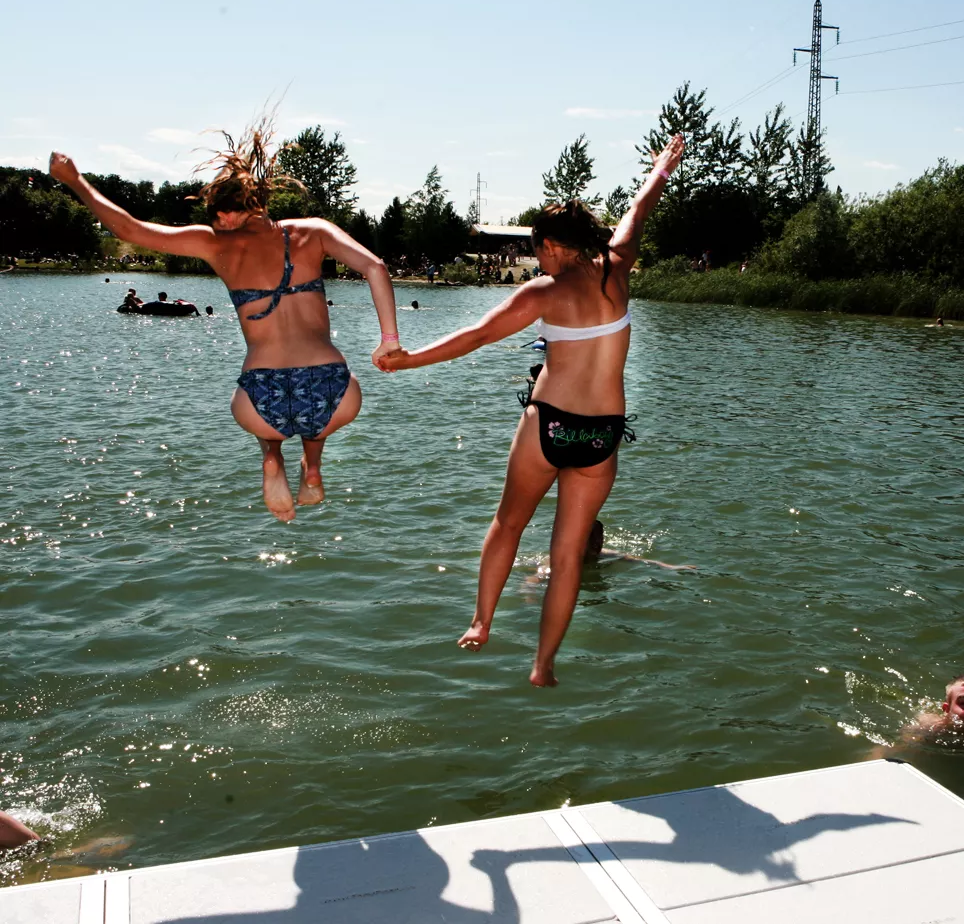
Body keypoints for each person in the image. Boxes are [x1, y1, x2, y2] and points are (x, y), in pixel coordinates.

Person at [378, 133, 686, 686]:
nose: (536, 258)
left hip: (550, 425)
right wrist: (662, 167)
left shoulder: (543, 291)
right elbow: (639, 210)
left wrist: (408, 361)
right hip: (602, 435)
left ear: (551, 245)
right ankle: (543, 665)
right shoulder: (618, 269)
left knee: (508, 523)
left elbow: (476, 336)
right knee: (567, 556)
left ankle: (481, 622)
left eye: (537, 249)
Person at [49, 120, 400, 523]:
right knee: (315, 424)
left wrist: (75, 180)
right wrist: (388, 339)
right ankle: (313, 467)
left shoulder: (215, 244)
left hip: (258, 398)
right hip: (334, 390)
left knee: (270, 434)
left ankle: (272, 458)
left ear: (226, 214)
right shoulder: (314, 231)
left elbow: (130, 228)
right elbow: (375, 267)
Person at [525, 520, 695, 584]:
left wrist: (672, 567)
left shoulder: (604, 553)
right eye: (593, 543)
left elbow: (639, 560)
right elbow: (534, 578)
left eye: (599, 542)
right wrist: (530, 594)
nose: (597, 546)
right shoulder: (560, 558)